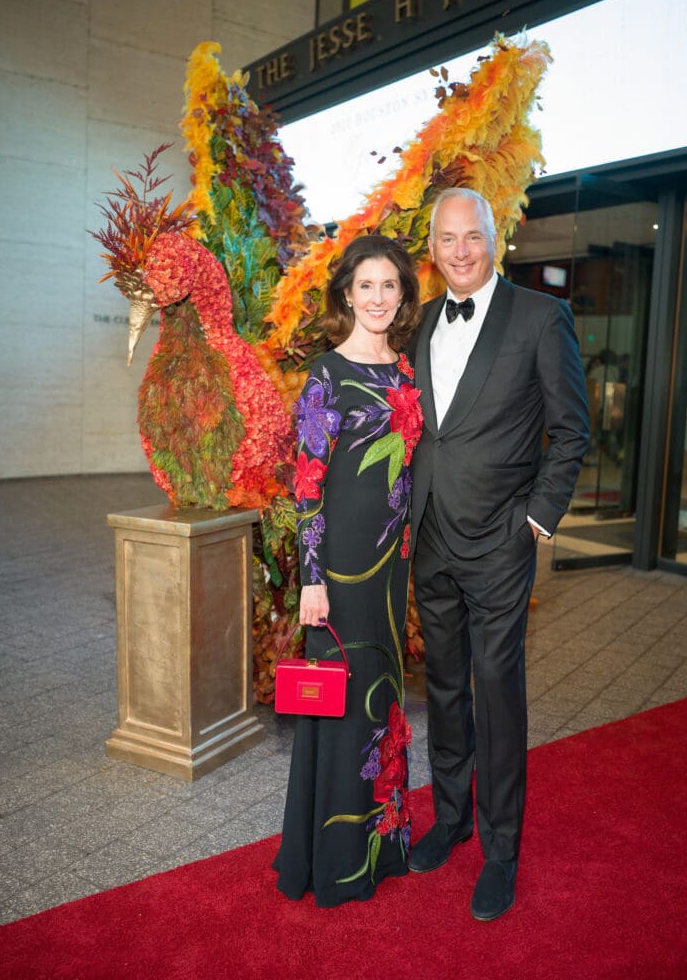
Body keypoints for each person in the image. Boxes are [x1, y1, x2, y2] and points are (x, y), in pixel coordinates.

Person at [408, 188, 589, 921]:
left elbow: (571, 431)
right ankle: (451, 818)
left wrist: (535, 522)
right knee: (444, 687)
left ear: (496, 239)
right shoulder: (420, 321)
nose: (461, 251)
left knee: (498, 692)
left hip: (500, 544)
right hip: (430, 536)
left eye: (473, 237)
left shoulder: (541, 317)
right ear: (432, 248)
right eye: (447, 239)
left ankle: (501, 850)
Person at [274, 233, 423, 907]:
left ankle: (380, 845)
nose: (378, 297)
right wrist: (312, 577)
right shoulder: (327, 373)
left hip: (391, 566)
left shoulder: (407, 372)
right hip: (339, 568)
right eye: (366, 285)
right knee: (337, 703)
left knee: (381, 700)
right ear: (347, 294)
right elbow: (307, 483)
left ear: (403, 294)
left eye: (390, 285)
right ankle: (332, 859)